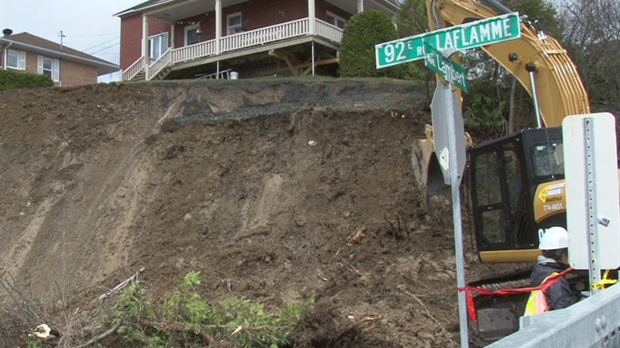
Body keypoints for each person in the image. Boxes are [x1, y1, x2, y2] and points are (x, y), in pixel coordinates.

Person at [524, 226, 575, 315]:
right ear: (561, 255)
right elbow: (564, 312)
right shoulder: (555, 280)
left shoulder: (541, 271)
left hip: (537, 324)